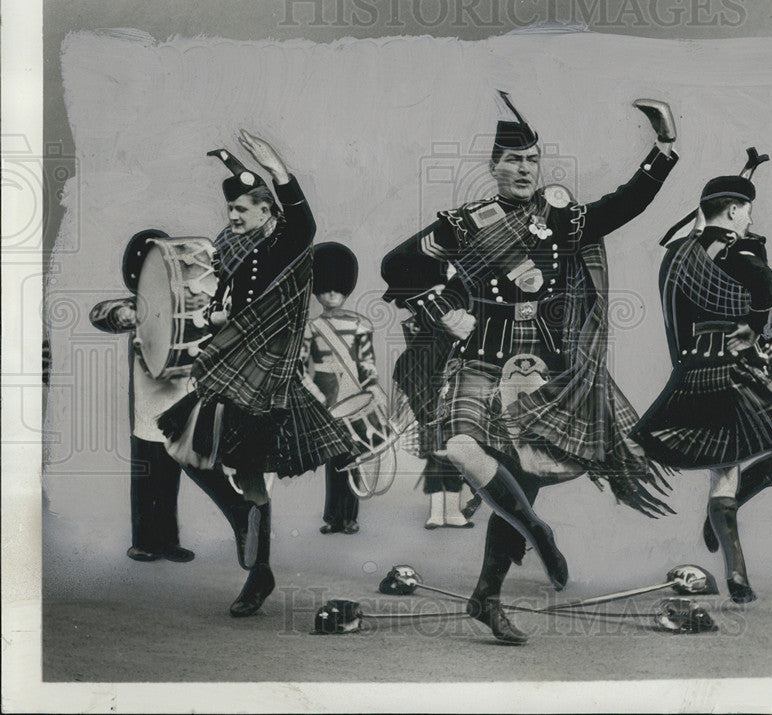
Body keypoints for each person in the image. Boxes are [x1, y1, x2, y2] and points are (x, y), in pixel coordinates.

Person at [381, 93, 679, 643]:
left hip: (538, 367)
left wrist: (664, 147)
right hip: (478, 356)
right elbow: (396, 265)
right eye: (513, 160)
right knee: (462, 449)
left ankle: (487, 597)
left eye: (532, 161)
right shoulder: (465, 223)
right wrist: (445, 311)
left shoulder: (561, 219)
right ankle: (538, 533)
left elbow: (626, 204)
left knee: (526, 475)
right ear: (493, 166)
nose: (523, 169)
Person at [158, 131, 357, 617]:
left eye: (242, 211)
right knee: (182, 446)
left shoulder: (287, 245)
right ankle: (240, 522)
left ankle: (258, 574)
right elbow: (228, 302)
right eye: (231, 211)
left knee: (250, 475)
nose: (232, 218)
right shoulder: (238, 248)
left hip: (267, 373)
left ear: (267, 212)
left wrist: (277, 169)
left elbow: (304, 222)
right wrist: (214, 318)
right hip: (231, 364)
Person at [631, 151, 772, 604]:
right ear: (734, 210)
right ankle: (725, 545)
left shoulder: (681, 252)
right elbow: (762, 289)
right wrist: (759, 326)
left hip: (694, 375)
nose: (752, 219)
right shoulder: (743, 248)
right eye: (747, 210)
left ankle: (736, 573)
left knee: (724, 475)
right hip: (737, 374)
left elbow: (694, 239)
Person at [89, 229, 251, 565]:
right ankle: (147, 543)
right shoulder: (135, 304)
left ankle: (171, 540)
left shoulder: (196, 306)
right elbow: (100, 314)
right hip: (149, 411)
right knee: (149, 480)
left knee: (175, 476)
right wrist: (121, 314)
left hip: (182, 404)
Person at [302, 241, 381, 536]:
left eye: (336, 288)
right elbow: (301, 368)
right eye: (325, 288)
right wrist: (316, 395)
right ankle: (333, 517)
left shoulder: (361, 325)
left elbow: (367, 362)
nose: (331, 293)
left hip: (355, 396)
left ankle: (350, 517)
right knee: (334, 461)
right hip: (326, 399)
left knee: (356, 457)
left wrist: (372, 387)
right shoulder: (310, 328)